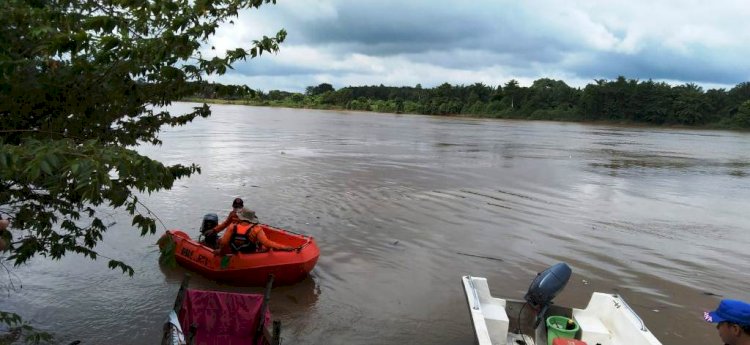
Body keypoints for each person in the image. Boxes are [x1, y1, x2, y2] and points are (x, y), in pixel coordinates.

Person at [215, 208, 296, 255]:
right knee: (263, 246)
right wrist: (285, 247)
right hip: (250, 254)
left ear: (241, 217)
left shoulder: (232, 226)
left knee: (219, 241)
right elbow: (267, 243)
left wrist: (220, 251)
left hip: (235, 252)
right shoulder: (256, 228)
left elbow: (224, 242)